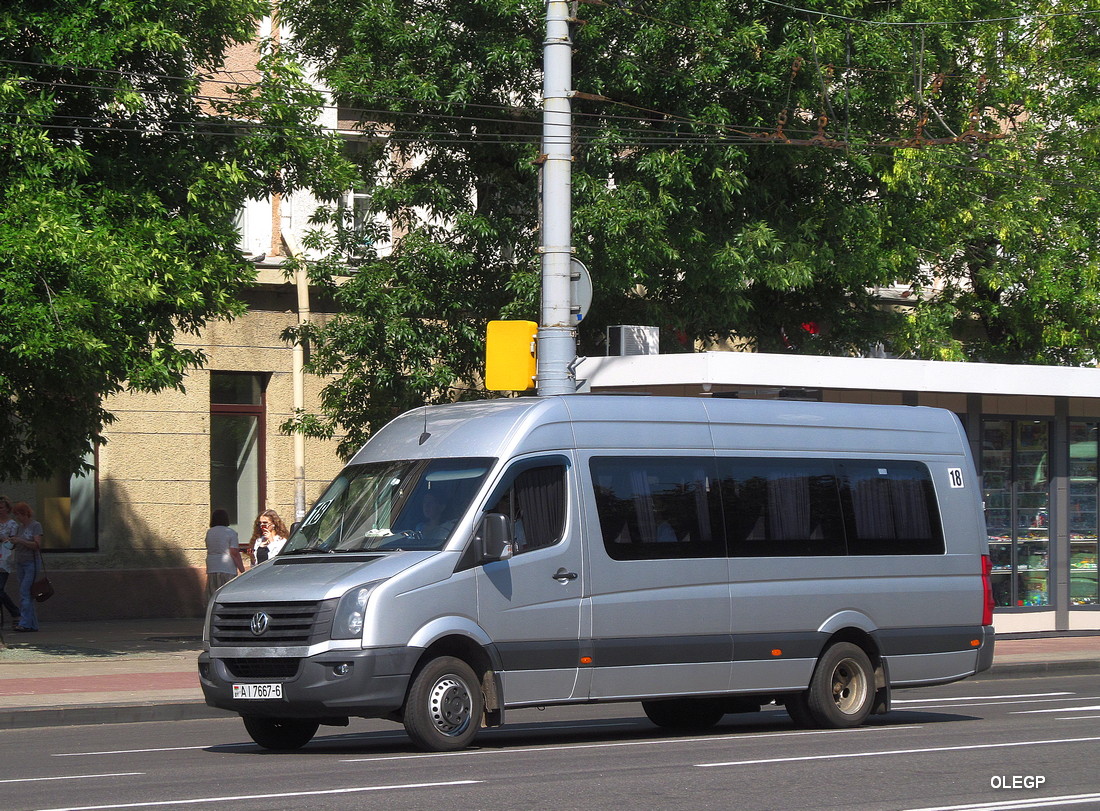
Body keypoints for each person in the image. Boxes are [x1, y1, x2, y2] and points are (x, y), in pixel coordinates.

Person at [11, 501, 43, 632]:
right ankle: (33, 624)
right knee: (27, 594)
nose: (17, 517)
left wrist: (21, 541)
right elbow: (17, 543)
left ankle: (24, 623)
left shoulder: (35, 526)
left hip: (31, 562)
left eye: (18, 514)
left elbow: (37, 545)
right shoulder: (19, 527)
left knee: (25, 592)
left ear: (25, 513)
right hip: (20, 562)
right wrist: (12, 542)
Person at [205, 509, 245, 599]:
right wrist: (242, 569)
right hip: (227, 567)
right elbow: (234, 552)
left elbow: (208, 546)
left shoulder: (210, 532)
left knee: (212, 594)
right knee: (226, 594)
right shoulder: (231, 532)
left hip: (212, 566)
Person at [0, 496, 22, 628]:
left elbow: (13, 543)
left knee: (0, 589)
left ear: (7, 509)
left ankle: (15, 612)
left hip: (4, 558)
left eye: (1, 507)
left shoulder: (12, 524)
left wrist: (5, 539)